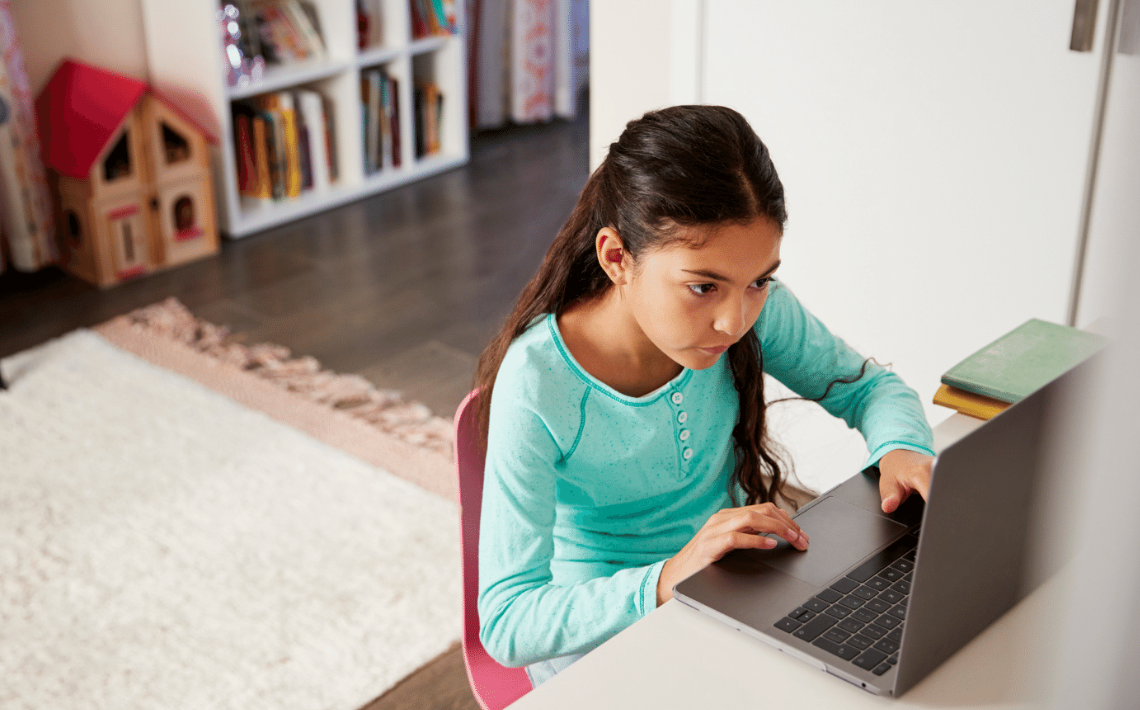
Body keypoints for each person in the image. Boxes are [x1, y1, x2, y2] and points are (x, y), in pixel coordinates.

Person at [473, 105, 935, 688]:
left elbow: (870, 387)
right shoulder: (538, 383)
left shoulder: (745, 308)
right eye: (702, 287)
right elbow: (509, 623)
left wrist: (901, 447)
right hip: (603, 647)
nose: (734, 320)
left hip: (735, 593)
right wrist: (667, 577)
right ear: (618, 258)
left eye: (758, 281)